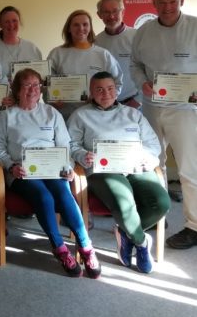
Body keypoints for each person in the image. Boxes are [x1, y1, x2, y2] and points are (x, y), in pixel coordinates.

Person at [0, 68, 101, 279]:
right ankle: (60, 248)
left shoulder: (51, 113)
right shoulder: (6, 116)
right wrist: (10, 166)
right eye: (27, 85)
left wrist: (69, 167)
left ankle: (86, 246)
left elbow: (65, 145)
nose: (32, 89)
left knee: (63, 193)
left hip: (52, 168)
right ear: (17, 90)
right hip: (21, 172)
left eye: (36, 85)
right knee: (43, 196)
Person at [68, 72, 170, 273]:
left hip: (135, 167)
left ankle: (125, 232)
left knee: (161, 203)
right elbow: (70, 144)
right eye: (99, 89)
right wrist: (82, 155)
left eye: (110, 88)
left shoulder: (133, 114)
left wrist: (146, 159)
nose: (105, 93)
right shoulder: (81, 115)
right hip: (103, 170)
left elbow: (152, 144)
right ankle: (141, 243)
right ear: (91, 92)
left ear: (117, 90)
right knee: (125, 204)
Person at [131, 0, 197, 249]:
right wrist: (142, 84)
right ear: (153, 4)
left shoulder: (194, 27)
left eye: (173, 1)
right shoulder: (144, 31)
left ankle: (193, 226)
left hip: (185, 110)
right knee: (150, 163)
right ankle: (155, 215)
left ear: (181, 0)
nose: (168, 7)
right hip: (152, 105)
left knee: (188, 169)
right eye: (162, 2)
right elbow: (134, 64)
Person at [47, 9, 123, 119]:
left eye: (85, 24)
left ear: (90, 27)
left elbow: (117, 81)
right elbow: (46, 83)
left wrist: (104, 99)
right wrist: (52, 100)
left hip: (97, 115)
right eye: (76, 25)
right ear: (69, 28)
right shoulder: (57, 54)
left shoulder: (103, 55)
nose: (81, 28)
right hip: (63, 115)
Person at [95, 0, 141, 107]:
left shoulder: (138, 37)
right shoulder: (95, 42)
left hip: (133, 105)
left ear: (123, 12)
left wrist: (139, 100)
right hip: (104, 106)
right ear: (99, 15)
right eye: (106, 12)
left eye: (115, 11)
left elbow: (149, 72)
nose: (111, 16)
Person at [0, 6, 42, 81]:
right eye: (7, 22)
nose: (11, 25)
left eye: (14, 21)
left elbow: (40, 77)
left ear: (19, 22)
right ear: (0, 24)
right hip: (0, 92)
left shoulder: (32, 48)